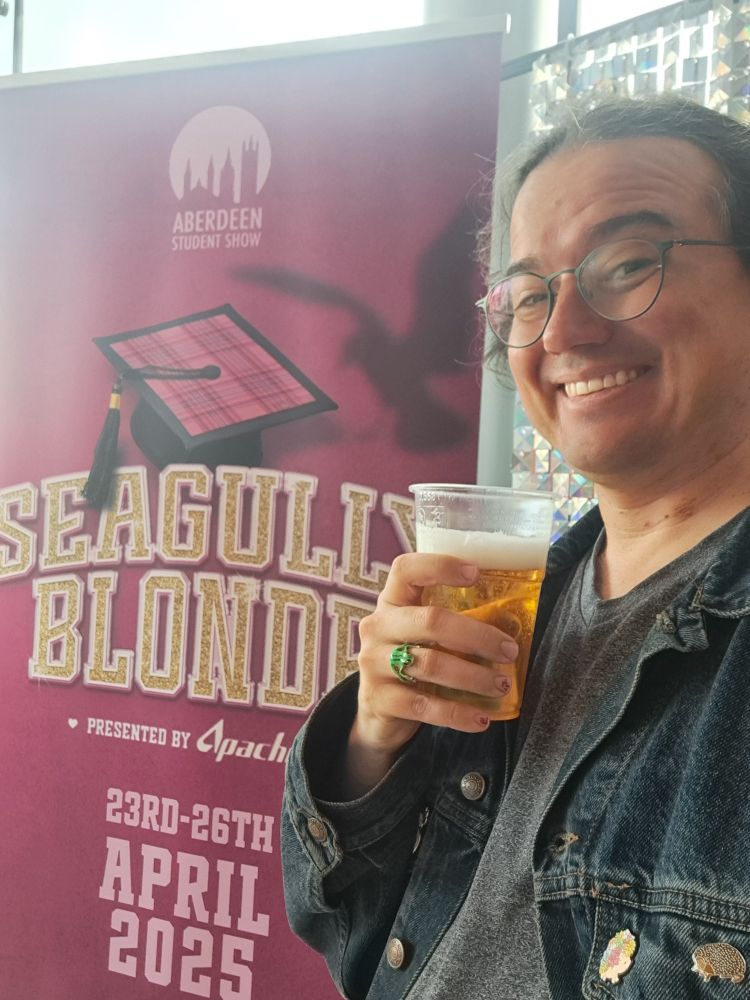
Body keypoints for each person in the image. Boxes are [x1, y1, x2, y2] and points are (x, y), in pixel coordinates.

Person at [281, 94, 750, 999]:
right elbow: (350, 931)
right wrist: (374, 744)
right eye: (530, 294)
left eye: (625, 264)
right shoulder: (527, 600)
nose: (564, 333)